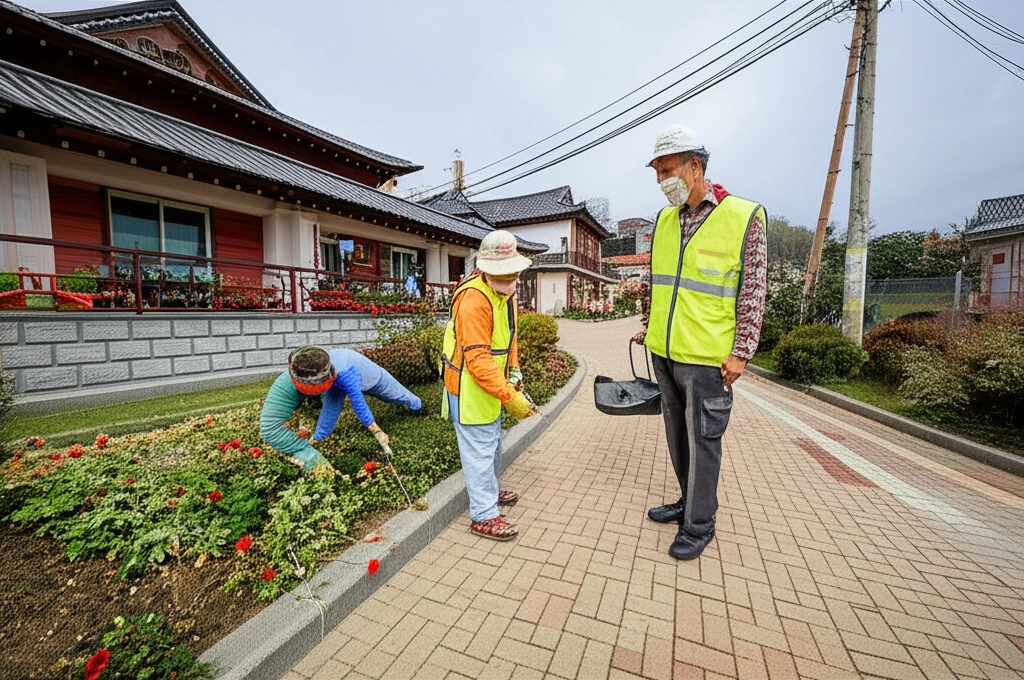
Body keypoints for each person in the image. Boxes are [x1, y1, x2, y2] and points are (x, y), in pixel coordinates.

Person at [634, 124, 767, 561]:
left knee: (703, 439)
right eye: (656, 173)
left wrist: (741, 352)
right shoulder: (666, 220)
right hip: (665, 352)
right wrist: (648, 324)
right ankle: (686, 502)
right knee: (677, 437)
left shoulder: (743, 217)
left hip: (708, 359)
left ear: (695, 166)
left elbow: (753, 290)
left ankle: (699, 523)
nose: (661, 181)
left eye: (667, 170)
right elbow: (659, 283)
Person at [442, 230, 537, 541]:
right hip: (469, 385)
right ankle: (483, 515)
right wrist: (510, 396)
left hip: (491, 384)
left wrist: (514, 370)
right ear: (484, 269)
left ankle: (489, 493)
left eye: (513, 273)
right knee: (479, 450)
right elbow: (478, 361)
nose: (511, 281)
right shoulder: (473, 300)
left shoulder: (504, 295)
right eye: (504, 274)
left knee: (492, 443)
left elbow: (509, 338)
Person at [259, 346, 422, 474]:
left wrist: (378, 432)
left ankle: (419, 407)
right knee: (331, 408)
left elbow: (359, 403)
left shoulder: (345, 375)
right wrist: (315, 440)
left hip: (374, 378)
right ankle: (318, 437)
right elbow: (330, 410)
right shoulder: (309, 369)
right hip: (336, 381)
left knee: (398, 396)